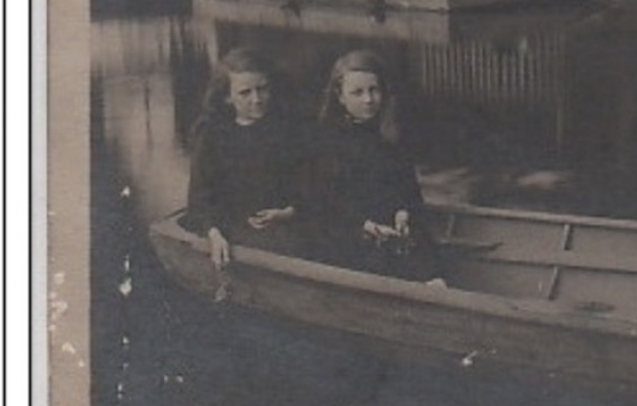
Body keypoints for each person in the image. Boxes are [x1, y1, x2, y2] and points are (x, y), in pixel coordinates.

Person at [308, 50, 443, 284]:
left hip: (393, 233)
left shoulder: (390, 137)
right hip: (347, 238)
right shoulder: (327, 142)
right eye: (357, 93)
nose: (368, 100)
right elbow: (325, 207)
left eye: (374, 90)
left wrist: (404, 213)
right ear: (340, 97)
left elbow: (409, 193)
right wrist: (367, 226)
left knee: (430, 270)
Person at [182, 47, 307, 270]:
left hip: (286, 225)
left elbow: (307, 185)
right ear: (228, 97)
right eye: (245, 93)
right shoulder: (212, 136)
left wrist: (288, 212)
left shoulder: (287, 130)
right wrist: (214, 234)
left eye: (263, 89)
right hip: (234, 229)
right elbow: (199, 199)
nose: (257, 99)